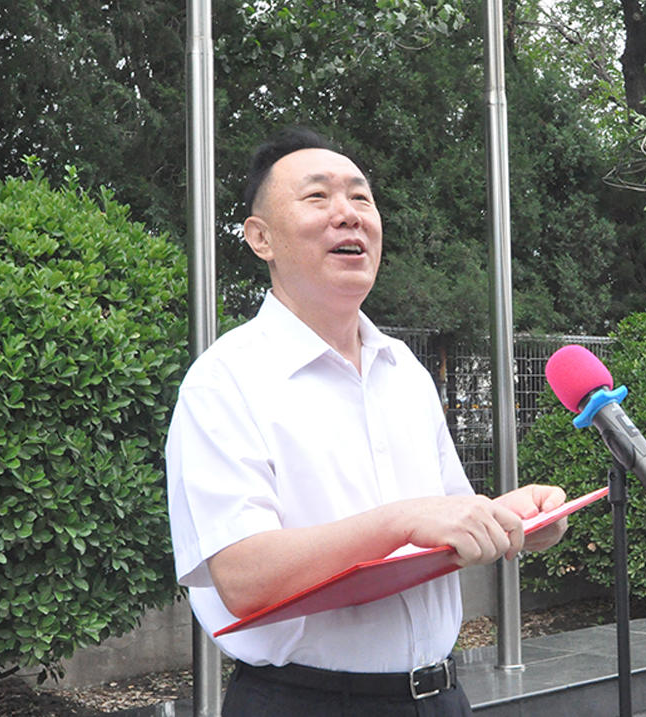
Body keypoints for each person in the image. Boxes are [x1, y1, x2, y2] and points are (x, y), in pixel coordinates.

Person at [166, 127, 568, 717]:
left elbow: (444, 519)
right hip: (305, 703)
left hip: (441, 697)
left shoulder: (403, 369)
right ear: (261, 237)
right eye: (317, 197)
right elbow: (244, 577)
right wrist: (402, 520)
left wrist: (511, 519)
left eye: (361, 197)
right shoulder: (223, 381)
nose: (348, 214)